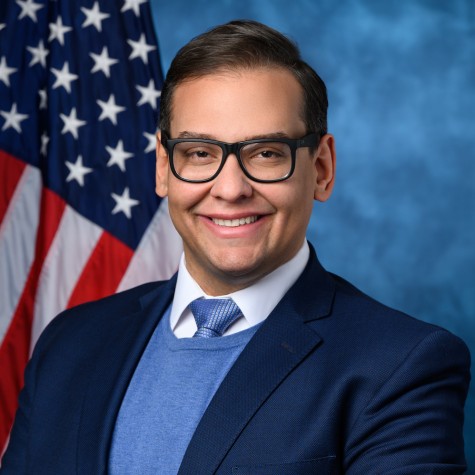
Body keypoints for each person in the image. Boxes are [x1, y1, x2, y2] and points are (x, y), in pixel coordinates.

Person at [1, 20, 470, 475]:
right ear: (164, 168)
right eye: (200, 153)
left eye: (267, 153)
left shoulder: (401, 365)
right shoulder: (69, 344)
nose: (230, 189)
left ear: (322, 168)